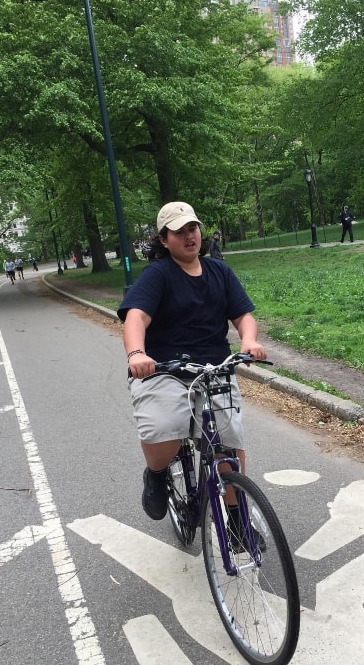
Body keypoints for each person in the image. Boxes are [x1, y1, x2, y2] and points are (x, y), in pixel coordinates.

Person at [117, 201, 267, 528]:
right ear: (164, 239)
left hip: (214, 368)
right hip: (164, 369)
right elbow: (136, 317)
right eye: (179, 231)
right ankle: (156, 474)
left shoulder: (219, 271)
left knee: (228, 445)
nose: (189, 236)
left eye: (192, 228)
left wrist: (249, 340)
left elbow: (243, 316)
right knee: (163, 428)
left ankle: (238, 521)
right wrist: (137, 355)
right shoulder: (158, 275)